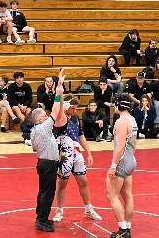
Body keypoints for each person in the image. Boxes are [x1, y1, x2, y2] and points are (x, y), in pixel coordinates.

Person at [52, 94, 102, 222]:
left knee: (83, 182)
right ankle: (59, 210)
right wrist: (60, 96)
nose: (74, 111)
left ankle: (88, 208)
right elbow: (57, 108)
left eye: (76, 109)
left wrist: (89, 153)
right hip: (63, 153)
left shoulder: (74, 117)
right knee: (62, 183)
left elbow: (80, 136)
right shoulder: (59, 117)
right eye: (72, 108)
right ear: (66, 106)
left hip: (76, 152)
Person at [29, 70, 65, 232]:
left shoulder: (34, 131)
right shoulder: (43, 128)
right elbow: (56, 113)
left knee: (43, 191)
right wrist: (58, 92)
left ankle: (41, 217)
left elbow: (34, 147)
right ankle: (41, 220)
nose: (46, 116)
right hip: (48, 163)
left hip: (42, 162)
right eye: (44, 115)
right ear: (39, 119)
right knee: (48, 193)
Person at [106, 94, 137, 238]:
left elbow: (120, 146)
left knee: (112, 195)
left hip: (122, 162)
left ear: (119, 106)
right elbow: (133, 143)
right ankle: (128, 228)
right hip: (130, 160)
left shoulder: (120, 122)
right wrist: (130, 158)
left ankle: (123, 229)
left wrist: (113, 165)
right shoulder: (132, 120)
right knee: (128, 195)